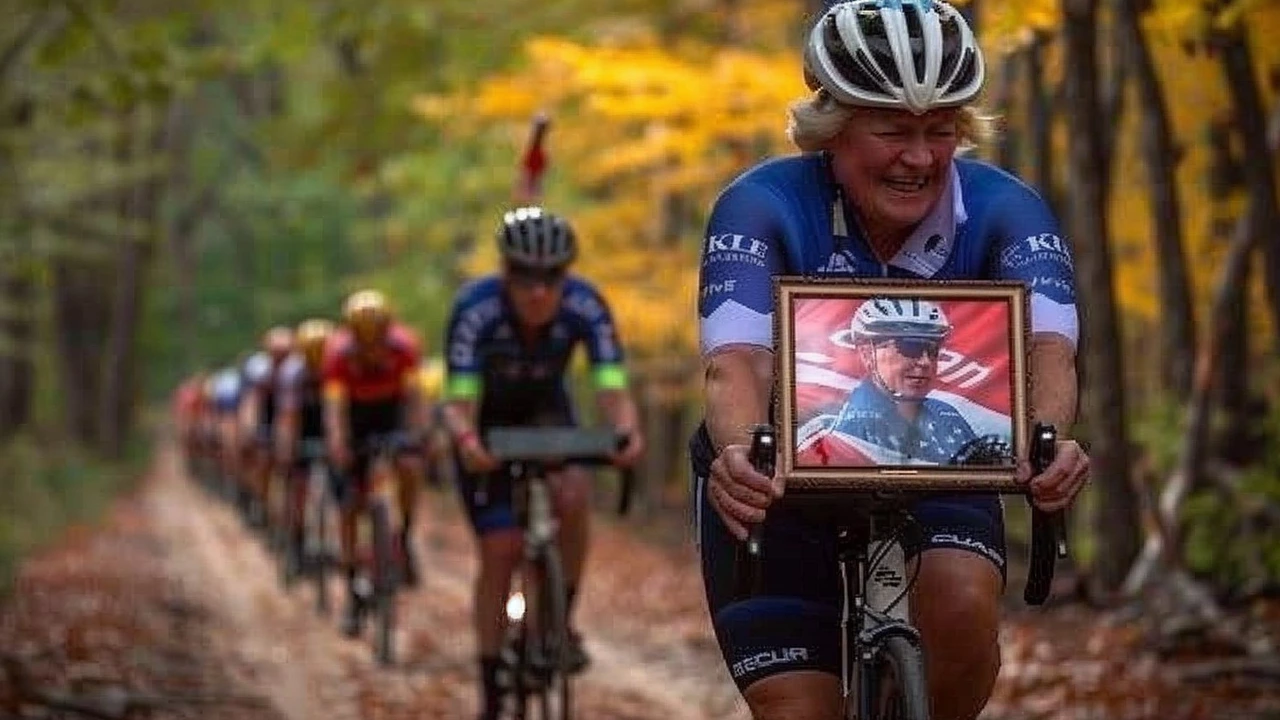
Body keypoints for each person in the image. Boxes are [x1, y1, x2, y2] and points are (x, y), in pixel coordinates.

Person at [690, 2, 1092, 719]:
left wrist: (1048, 439)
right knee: (799, 711)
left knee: (963, 603)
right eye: (892, 130)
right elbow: (737, 362)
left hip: (935, 460)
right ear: (833, 127)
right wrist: (737, 454)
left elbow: (1050, 349)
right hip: (783, 475)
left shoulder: (1008, 209)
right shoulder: (760, 205)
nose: (920, 157)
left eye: (942, 131)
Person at [441, 206, 645, 720]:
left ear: (566, 274)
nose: (538, 290)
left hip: (549, 414)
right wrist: (467, 441)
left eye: (551, 276)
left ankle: (557, 621)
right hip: (488, 421)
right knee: (500, 548)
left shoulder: (586, 304)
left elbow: (611, 386)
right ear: (505, 272)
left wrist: (626, 432)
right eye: (524, 276)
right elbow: (458, 399)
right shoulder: (475, 309)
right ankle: (491, 686)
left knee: (574, 494)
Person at [322, 289, 429, 636]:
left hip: (392, 412)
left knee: (410, 467)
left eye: (377, 341)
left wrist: (418, 435)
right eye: (363, 342)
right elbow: (335, 407)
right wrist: (338, 442)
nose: (371, 350)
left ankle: (405, 535)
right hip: (355, 417)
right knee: (350, 505)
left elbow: (415, 397)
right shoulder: (338, 354)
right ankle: (354, 587)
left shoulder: (404, 348)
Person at [797, 298, 979, 466]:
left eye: (933, 350)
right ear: (867, 354)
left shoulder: (949, 416)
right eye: (911, 347)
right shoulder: (830, 432)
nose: (926, 362)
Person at [274, 318, 336, 579]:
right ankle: (296, 541)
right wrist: (287, 450)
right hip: (304, 424)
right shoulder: (292, 373)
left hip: (332, 422)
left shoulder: (337, 366)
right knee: (297, 484)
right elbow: (289, 417)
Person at [239, 327, 296, 528]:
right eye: (277, 352)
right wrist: (250, 429)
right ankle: (262, 502)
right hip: (266, 415)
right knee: (264, 460)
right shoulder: (258, 368)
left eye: (285, 352)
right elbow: (251, 402)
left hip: (290, 414)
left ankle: (292, 513)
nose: (281, 357)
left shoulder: (296, 368)